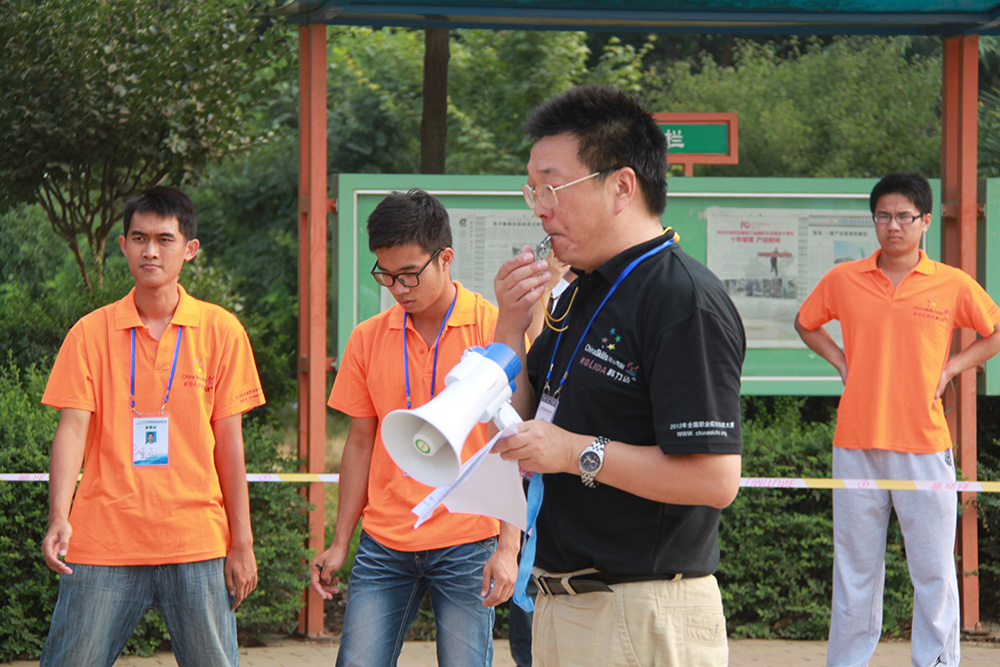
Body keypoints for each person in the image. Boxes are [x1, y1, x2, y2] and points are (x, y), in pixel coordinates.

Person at [492, 85, 745, 666]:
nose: (539, 207)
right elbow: (523, 417)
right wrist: (510, 325)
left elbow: (714, 479)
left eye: (552, 187)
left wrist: (571, 451)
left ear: (622, 187)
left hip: (641, 610)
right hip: (560, 601)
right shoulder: (585, 289)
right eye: (532, 189)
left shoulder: (682, 299)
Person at [39, 186, 265, 666]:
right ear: (123, 245)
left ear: (190, 249)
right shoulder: (89, 333)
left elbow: (229, 444)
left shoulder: (221, 331)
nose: (150, 251)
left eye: (165, 239)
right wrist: (59, 516)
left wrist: (241, 541)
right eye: (139, 238)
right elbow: (71, 432)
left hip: (196, 538)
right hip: (103, 537)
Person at [795, 172, 1000, 667]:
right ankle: (847, 661)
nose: (893, 226)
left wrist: (951, 368)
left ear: (925, 221)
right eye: (883, 216)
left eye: (904, 217)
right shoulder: (844, 278)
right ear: (874, 220)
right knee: (854, 569)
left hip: (925, 444)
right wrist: (841, 362)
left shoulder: (951, 283)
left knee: (933, 569)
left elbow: (994, 331)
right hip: (855, 442)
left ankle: (936, 661)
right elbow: (806, 322)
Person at [311, 188, 519, 666]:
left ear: (445, 258)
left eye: (408, 274)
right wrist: (341, 541)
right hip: (385, 540)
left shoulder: (493, 329)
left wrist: (508, 547)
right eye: (385, 275)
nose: (397, 288)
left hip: (469, 540)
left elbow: (513, 442)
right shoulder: (367, 338)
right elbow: (359, 444)